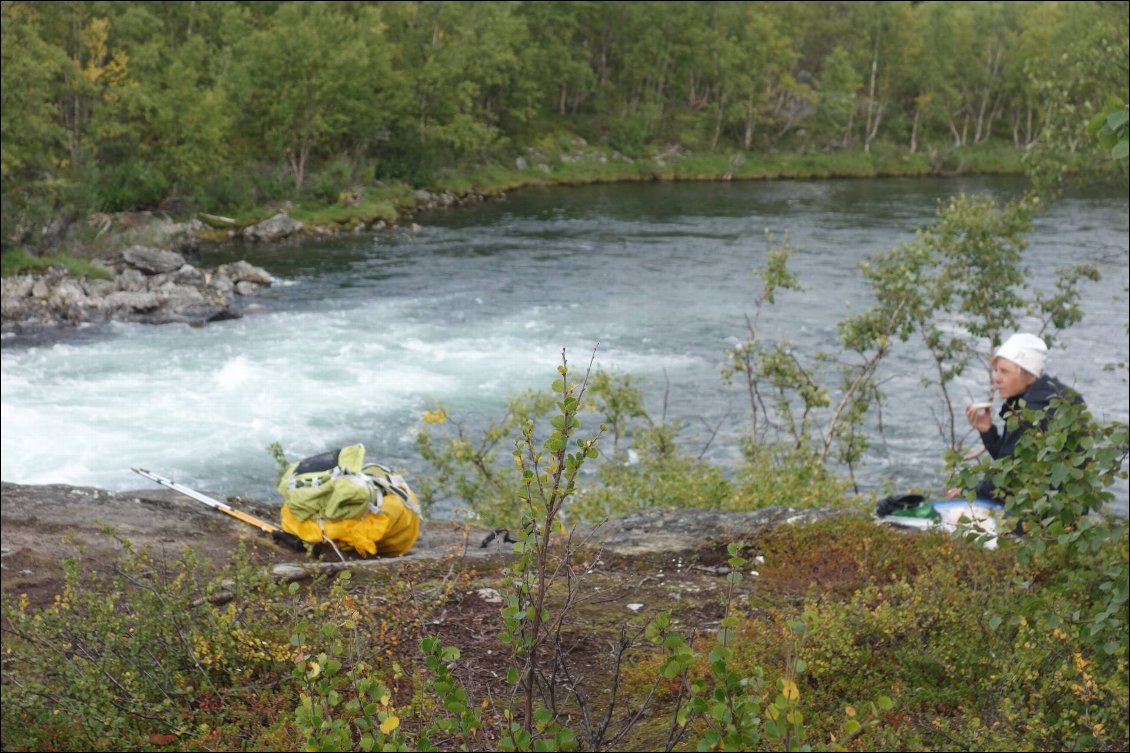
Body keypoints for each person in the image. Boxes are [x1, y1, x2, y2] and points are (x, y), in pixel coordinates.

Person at [949, 332, 1084, 502]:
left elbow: (1007, 479)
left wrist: (968, 491)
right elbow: (1015, 462)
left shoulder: (1031, 412)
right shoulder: (1059, 395)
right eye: (996, 370)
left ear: (1029, 375)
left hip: (1041, 514)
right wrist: (988, 431)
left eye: (1004, 371)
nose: (996, 378)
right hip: (1066, 506)